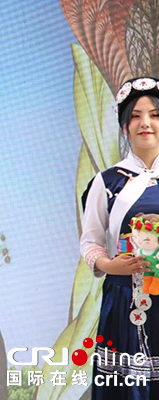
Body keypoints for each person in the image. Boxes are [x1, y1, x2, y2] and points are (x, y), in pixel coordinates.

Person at [80, 77, 159, 399]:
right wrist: (108, 265)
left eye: (154, 114)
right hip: (127, 302)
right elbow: (90, 240)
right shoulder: (107, 181)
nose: (146, 123)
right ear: (124, 126)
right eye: (136, 115)